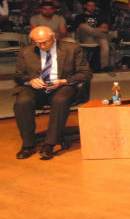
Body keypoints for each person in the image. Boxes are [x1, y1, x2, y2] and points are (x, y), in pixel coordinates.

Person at [13, 26, 92, 160]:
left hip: (62, 85)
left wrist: (64, 81)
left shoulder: (72, 49)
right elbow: (18, 75)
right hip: (36, 88)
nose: (42, 45)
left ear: (53, 37)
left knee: (60, 100)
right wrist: (31, 81)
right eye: (37, 43)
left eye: (45, 42)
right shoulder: (25, 52)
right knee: (22, 101)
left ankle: (50, 144)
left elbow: (85, 73)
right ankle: (28, 145)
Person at [73, 0, 111, 71]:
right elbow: (79, 29)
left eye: (93, 6)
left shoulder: (100, 16)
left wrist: (90, 29)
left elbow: (105, 29)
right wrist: (97, 29)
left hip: (98, 38)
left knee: (105, 43)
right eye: (89, 5)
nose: (92, 7)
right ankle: (107, 37)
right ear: (85, 6)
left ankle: (104, 67)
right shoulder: (79, 17)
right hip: (86, 38)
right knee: (83, 25)